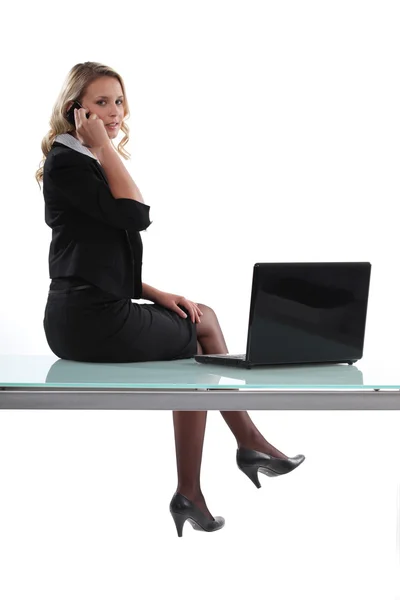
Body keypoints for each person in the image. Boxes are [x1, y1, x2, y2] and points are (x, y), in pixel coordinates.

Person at [36, 61, 305, 537]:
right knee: (203, 334)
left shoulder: (81, 159)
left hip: (87, 311)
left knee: (198, 318)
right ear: (78, 110)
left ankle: (199, 487)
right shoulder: (72, 160)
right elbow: (136, 215)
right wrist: (104, 147)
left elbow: (92, 255)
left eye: (119, 101)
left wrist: (158, 293)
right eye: (102, 102)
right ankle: (239, 449)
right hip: (89, 321)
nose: (115, 112)